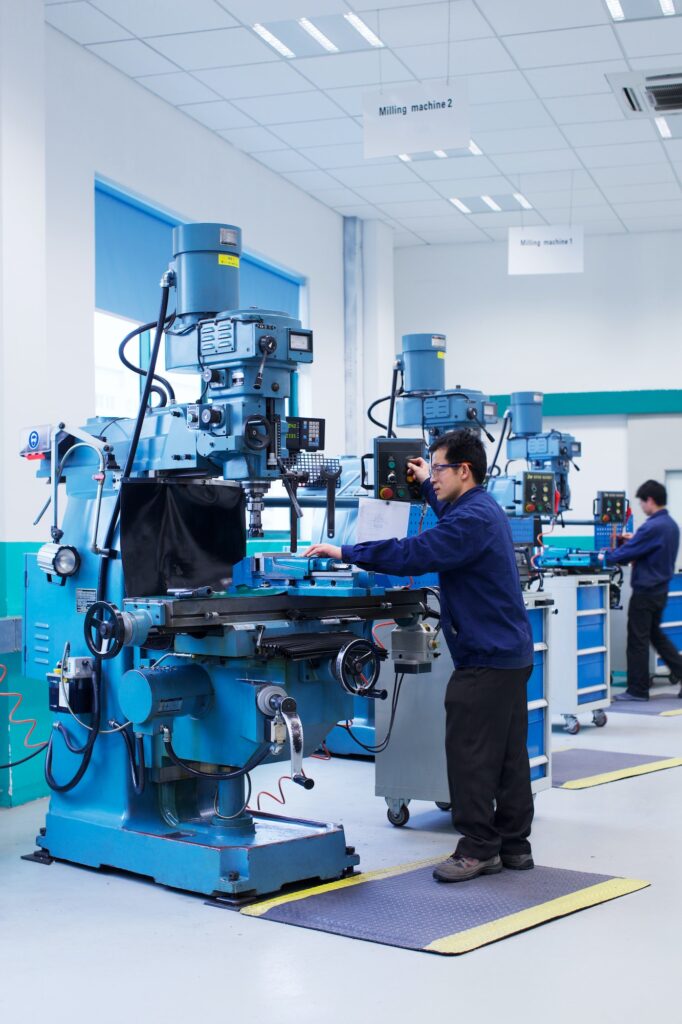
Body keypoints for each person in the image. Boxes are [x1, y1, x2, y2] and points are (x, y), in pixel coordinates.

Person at [304, 429, 535, 884]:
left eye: (442, 467)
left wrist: (347, 551)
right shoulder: (479, 507)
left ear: (464, 471)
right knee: (508, 755)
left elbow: (417, 551)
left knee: (469, 753)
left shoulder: (470, 520)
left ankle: (477, 849)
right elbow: (447, 511)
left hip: (486, 656)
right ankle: (514, 845)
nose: (437, 475)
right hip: (509, 654)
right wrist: (428, 480)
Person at [601, 480, 682, 701]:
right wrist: (634, 541)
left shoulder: (652, 526)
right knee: (656, 636)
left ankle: (637, 690)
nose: (641, 506)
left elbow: (627, 554)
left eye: (641, 502)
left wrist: (602, 557)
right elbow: (645, 548)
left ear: (650, 500)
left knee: (638, 640)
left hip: (646, 592)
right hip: (660, 591)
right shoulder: (671, 525)